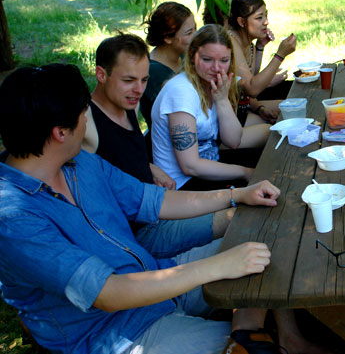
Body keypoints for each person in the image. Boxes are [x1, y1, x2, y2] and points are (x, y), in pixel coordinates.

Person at [0, 63, 281, 354]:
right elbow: (108, 294)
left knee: (267, 242)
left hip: (158, 281)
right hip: (115, 332)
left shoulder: (78, 162)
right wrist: (219, 266)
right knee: (260, 344)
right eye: (84, 113)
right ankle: (253, 335)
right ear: (61, 132)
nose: (87, 120)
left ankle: (256, 332)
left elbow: (154, 200)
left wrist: (237, 195)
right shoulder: (13, 217)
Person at [83, 33, 237, 259]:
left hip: (162, 205)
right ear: (101, 74)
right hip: (140, 234)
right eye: (128, 80)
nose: (138, 90)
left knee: (246, 211)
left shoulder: (127, 104)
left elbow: (118, 153)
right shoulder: (86, 123)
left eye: (144, 80)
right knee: (240, 220)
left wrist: (150, 168)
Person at [151, 24, 270, 190]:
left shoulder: (213, 84)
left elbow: (233, 141)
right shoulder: (181, 92)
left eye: (224, 60)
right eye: (207, 60)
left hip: (210, 165)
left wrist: (222, 100)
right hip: (182, 185)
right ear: (192, 56)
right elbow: (189, 166)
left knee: (273, 162)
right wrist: (244, 172)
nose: (216, 68)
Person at [227, 0, 296, 123]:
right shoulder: (231, 42)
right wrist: (280, 55)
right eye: (259, 18)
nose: (266, 22)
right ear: (241, 21)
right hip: (232, 116)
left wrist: (260, 47)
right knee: (280, 125)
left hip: (246, 106)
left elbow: (252, 83)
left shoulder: (249, 44)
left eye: (266, 16)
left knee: (294, 106)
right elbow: (252, 89)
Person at [140, 1, 196, 129]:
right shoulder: (154, 72)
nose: (196, 36)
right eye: (189, 33)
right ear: (167, 38)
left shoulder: (182, 56)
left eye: (195, 29)